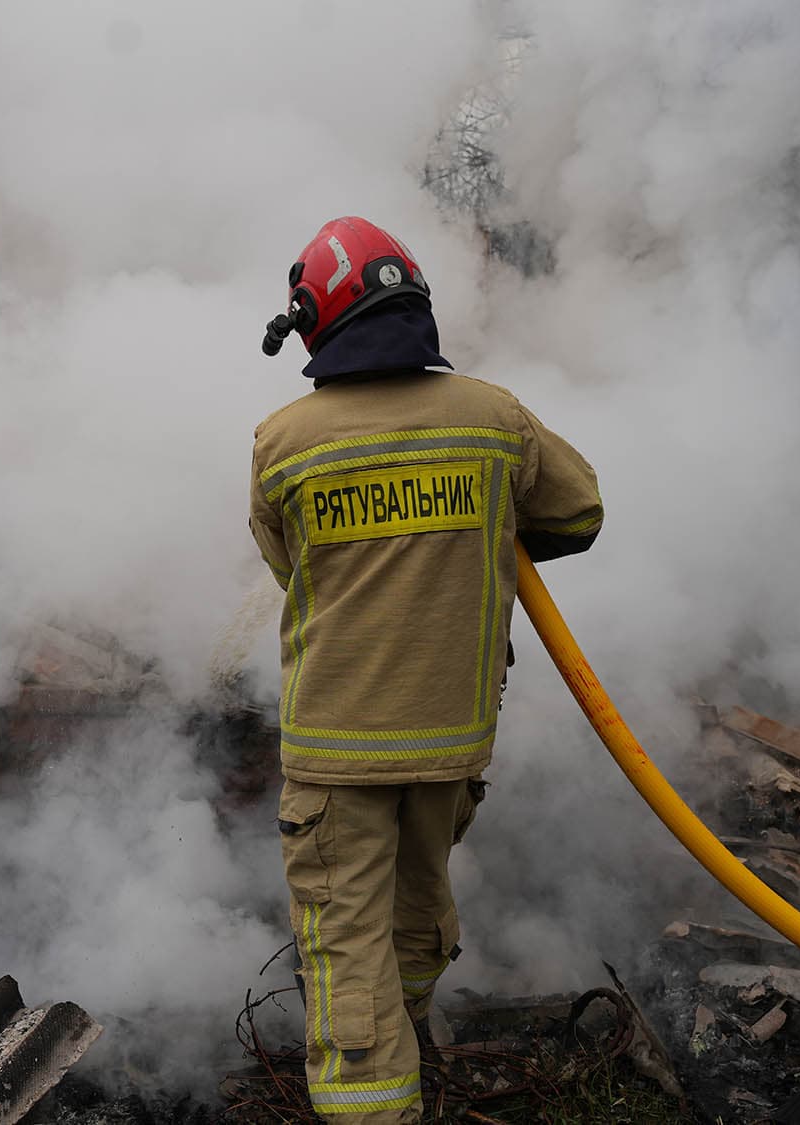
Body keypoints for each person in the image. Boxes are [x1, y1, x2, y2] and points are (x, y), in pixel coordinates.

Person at [248, 216, 603, 1123]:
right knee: (417, 912)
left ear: (313, 317)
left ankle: (375, 1099)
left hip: (337, 747)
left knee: (346, 944)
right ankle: (412, 1042)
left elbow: (295, 568)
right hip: (451, 738)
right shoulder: (494, 419)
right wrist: (468, 537)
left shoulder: (284, 442)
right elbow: (577, 516)